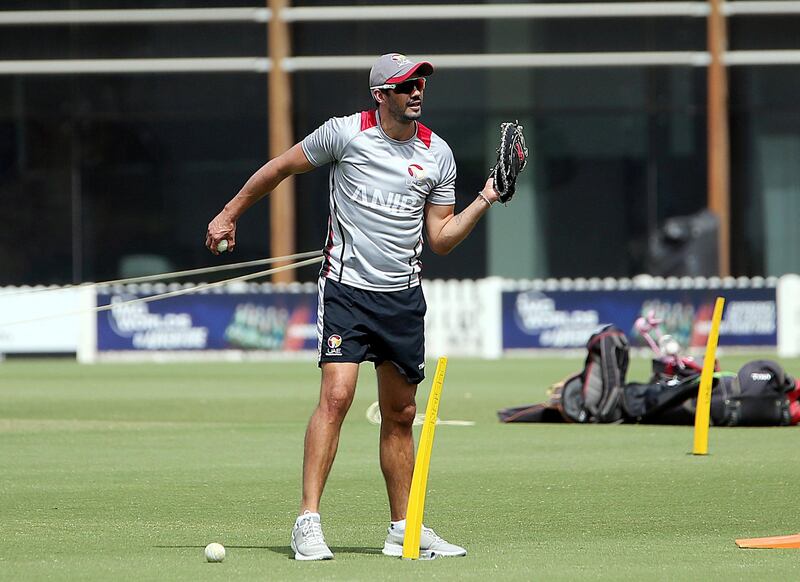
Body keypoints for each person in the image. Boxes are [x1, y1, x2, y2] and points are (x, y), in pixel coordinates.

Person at [206, 53, 501, 561]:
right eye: (406, 85)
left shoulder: (439, 155)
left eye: (420, 84)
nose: (417, 92)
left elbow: (442, 239)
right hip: (345, 289)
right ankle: (307, 522)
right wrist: (228, 214)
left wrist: (487, 196)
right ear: (380, 95)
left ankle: (403, 528)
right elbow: (278, 169)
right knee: (338, 397)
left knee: (401, 412)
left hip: (403, 298)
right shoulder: (344, 134)